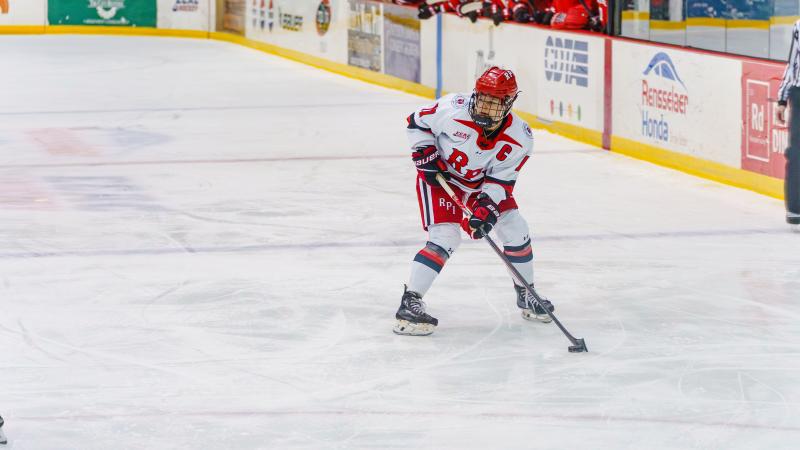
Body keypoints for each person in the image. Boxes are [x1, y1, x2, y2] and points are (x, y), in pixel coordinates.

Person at [394, 66, 554, 336]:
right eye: (482, 98)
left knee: (515, 228)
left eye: (493, 103)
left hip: (480, 187)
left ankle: (526, 293)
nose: (484, 107)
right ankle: (410, 301)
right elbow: (417, 123)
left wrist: (486, 209)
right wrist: (425, 152)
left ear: (508, 103)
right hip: (442, 180)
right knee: (445, 237)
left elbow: (501, 182)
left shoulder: (520, 137)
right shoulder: (452, 108)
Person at [777, 21, 800, 227]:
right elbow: (792, 64)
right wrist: (783, 98)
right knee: (796, 153)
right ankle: (795, 207)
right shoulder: (799, 26)